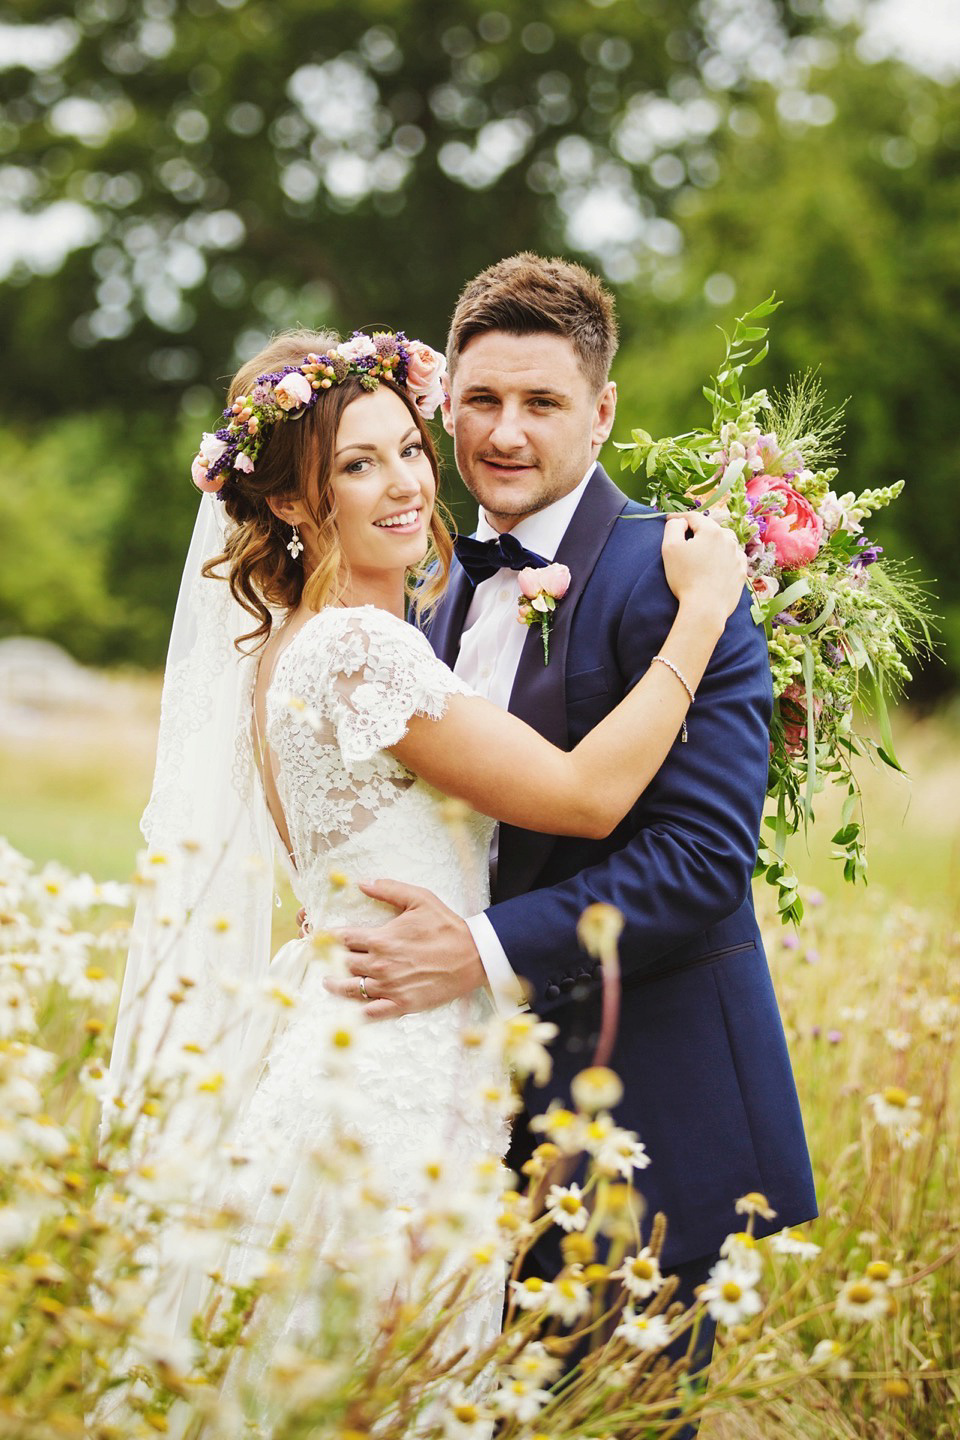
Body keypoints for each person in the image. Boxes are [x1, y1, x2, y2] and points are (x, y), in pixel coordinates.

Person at [109, 322, 746, 1391]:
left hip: (379, 1045)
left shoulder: (289, 647)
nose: (405, 483)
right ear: (288, 503)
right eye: (357, 465)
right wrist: (705, 615)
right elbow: (586, 798)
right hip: (391, 1079)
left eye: (407, 447)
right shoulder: (361, 650)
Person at [321, 255, 818, 1419]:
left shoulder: (680, 576)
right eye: (482, 400)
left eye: (542, 402)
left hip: (646, 1113)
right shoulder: (424, 592)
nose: (504, 431)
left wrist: (482, 949)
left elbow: (698, 864)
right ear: (445, 408)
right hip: (464, 1120)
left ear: (602, 411)